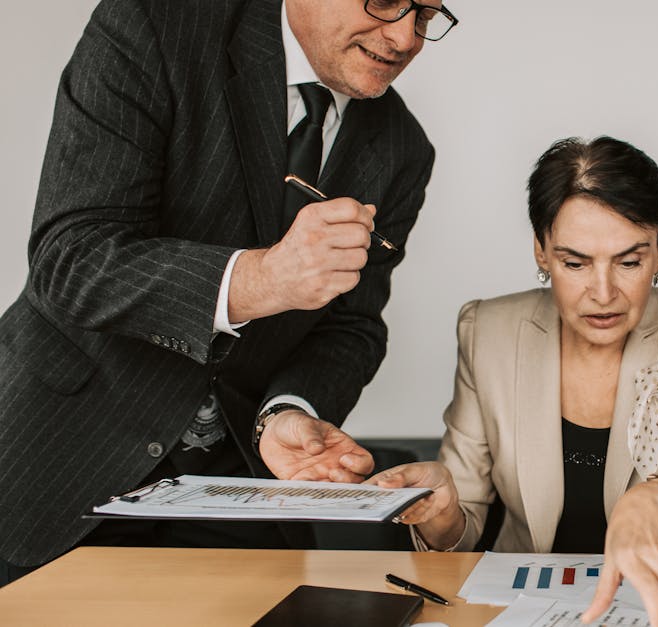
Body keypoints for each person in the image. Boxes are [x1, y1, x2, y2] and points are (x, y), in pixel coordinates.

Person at [0, 0, 457, 581]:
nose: (404, 37)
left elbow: (353, 325)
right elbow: (71, 260)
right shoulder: (150, 27)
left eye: (425, 14)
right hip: (58, 464)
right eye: (387, 2)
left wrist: (288, 411)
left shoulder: (404, 148)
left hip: (238, 489)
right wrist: (260, 279)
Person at [368, 136, 658, 627]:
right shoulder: (488, 331)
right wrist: (441, 507)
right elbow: (464, 525)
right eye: (575, 263)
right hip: (525, 610)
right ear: (541, 250)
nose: (603, 293)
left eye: (629, 262)